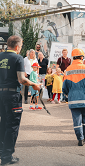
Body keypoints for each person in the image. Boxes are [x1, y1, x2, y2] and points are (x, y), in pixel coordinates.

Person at [0, 35, 40, 165]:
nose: (20, 49)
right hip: (12, 96)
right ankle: (6, 157)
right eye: (21, 47)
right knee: (12, 125)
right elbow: (21, 79)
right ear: (17, 46)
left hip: (0, 95)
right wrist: (34, 84)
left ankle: (2, 151)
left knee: (3, 124)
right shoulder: (17, 58)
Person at [63, 48, 85, 146]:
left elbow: (64, 86)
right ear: (81, 57)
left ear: (73, 57)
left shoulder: (68, 70)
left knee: (76, 120)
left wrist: (66, 96)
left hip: (73, 99)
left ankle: (80, 139)